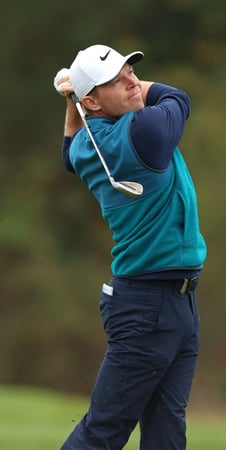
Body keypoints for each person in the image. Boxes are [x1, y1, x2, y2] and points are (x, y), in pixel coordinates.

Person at [53, 44, 206, 449]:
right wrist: (84, 95)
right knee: (104, 431)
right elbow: (177, 97)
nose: (132, 83)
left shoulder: (88, 145)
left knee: (166, 427)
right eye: (115, 82)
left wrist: (77, 100)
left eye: (130, 73)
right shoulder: (145, 133)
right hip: (149, 306)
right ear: (93, 101)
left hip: (171, 303)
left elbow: (68, 152)